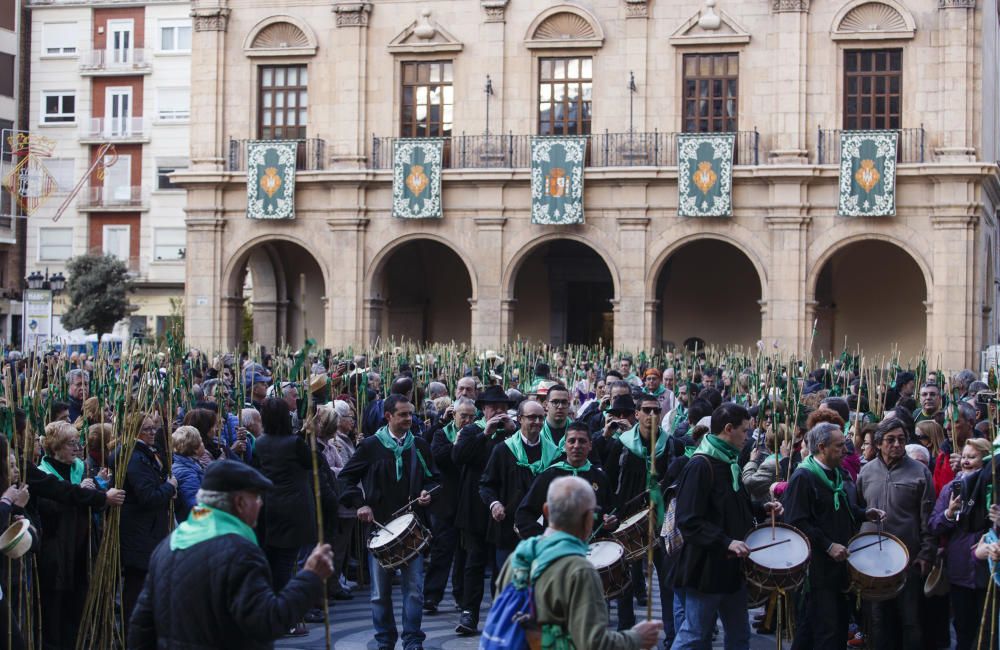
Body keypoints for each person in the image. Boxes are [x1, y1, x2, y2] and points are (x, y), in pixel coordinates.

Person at [128, 460, 334, 649]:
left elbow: (141, 628)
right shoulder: (239, 553)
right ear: (240, 502)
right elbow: (266, 622)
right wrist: (310, 577)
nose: (261, 503)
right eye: (256, 496)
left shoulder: (169, 545)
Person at [495, 476, 662, 649]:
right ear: (589, 519)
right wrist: (636, 637)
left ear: (546, 511)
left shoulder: (519, 557)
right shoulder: (580, 570)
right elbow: (592, 643)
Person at [672, 402, 783, 650]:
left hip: (733, 570)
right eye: (745, 431)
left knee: (739, 636)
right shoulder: (701, 465)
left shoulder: (730, 462)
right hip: (706, 570)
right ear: (728, 428)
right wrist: (726, 541)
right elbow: (688, 521)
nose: (749, 437)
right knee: (694, 636)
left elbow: (731, 507)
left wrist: (761, 509)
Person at [338, 393, 440, 650]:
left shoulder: (419, 445)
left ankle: (413, 640)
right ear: (388, 416)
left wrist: (428, 493)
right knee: (379, 594)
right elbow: (345, 479)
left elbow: (435, 478)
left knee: (414, 590)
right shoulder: (371, 446)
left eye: (411, 414)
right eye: (404, 414)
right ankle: (385, 640)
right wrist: (360, 504)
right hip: (379, 530)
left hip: (411, 527)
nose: (410, 419)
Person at [783, 422, 884, 650]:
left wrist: (863, 514)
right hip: (818, 569)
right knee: (828, 631)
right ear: (822, 447)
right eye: (839, 446)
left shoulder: (837, 473)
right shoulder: (804, 477)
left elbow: (839, 510)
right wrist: (828, 546)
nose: (845, 450)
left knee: (822, 626)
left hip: (839, 565)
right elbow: (797, 521)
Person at [855, 417, 936, 650]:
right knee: (878, 619)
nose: (897, 444)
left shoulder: (920, 472)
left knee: (910, 620)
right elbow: (858, 509)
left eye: (901, 439)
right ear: (879, 443)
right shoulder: (866, 472)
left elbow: (927, 517)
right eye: (890, 440)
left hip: (907, 560)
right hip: (872, 562)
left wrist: (926, 554)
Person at [604, 394, 674, 638]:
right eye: (647, 410)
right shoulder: (621, 444)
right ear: (637, 414)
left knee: (667, 580)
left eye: (657, 410)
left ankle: (671, 634)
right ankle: (625, 631)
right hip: (628, 520)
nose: (652, 415)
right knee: (625, 581)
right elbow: (609, 481)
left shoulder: (670, 444)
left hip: (661, 520)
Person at [451, 385, 515, 635]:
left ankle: (499, 615)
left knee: (502, 566)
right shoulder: (470, 431)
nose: (498, 411)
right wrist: (485, 434)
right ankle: (469, 614)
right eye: (493, 407)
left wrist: (512, 432)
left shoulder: (513, 434)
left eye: (502, 407)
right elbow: (458, 457)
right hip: (475, 507)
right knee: (474, 563)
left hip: (503, 508)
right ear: (483, 410)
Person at [252, 397, 317, 637]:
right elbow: (311, 463)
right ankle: (285, 616)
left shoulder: (259, 443)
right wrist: (308, 439)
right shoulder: (293, 443)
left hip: (269, 505)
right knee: (286, 564)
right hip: (294, 507)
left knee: (273, 561)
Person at [928, 437, 992, 650]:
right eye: (964, 456)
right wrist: (948, 513)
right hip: (960, 569)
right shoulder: (951, 488)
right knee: (963, 628)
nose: (966, 462)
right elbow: (934, 525)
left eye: (972, 457)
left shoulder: (993, 489)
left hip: (989, 568)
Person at [480, 399, 559, 568]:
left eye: (540, 417)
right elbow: (486, 484)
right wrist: (494, 504)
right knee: (506, 584)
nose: (537, 422)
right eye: (532, 417)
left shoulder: (554, 453)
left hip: (542, 532)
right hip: (508, 528)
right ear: (519, 419)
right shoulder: (503, 450)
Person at [120, 413, 178, 628]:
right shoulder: (135, 457)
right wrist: (169, 487)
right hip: (140, 534)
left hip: (147, 531)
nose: (153, 433)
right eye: (147, 429)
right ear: (135, 431)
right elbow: (148, 496)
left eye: (154, 429)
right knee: (136, 589)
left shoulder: (143, 453)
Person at [515, 421, 616, 539]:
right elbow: (523, 514)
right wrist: (543, 538)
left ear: (590, 445)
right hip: (558, 550)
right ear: (565, 445)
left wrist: (611, 522)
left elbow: (611, 511)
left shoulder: (600, 477)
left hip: (593, 550)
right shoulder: (549, 476)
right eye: (572, 441)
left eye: (582, 441)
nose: (577, 446)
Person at [424, 396, 477, 613]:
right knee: (442, 550)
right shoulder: (441, 434)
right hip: (446, 502)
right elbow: (439, 457)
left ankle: (462, 596)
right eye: (463, 416)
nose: (466, 420)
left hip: (469, 502)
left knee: (465, 553)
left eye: (471, 417)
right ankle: (431, 596)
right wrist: (458, 444)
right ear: (453, 415)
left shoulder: (479, 435)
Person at [171, 425, 206, 522]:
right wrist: (210, 520)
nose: (203, 444)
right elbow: (194, 505)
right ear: (195, 448)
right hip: (191, 523)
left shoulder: (188, 465)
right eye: (201, 441)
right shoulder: (187, 473)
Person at [540, 383, 571, 450]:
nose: (560, 406)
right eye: (555, 402)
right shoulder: (537, 432)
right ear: (546, 405)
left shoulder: (578, 432)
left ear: (569, 405)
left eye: (564, 402)